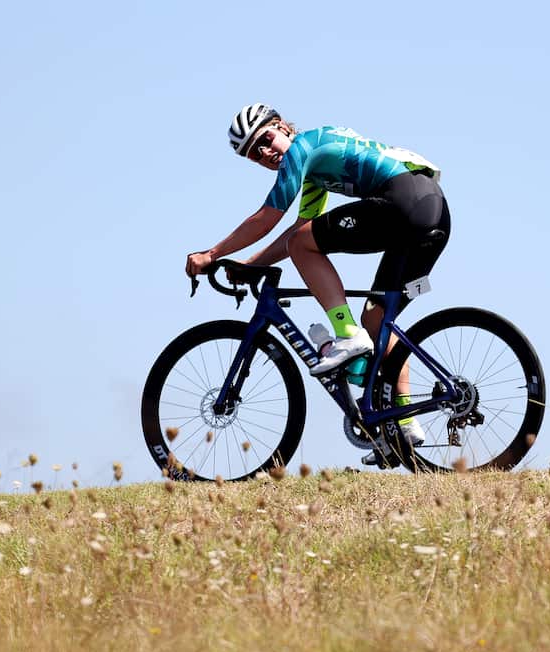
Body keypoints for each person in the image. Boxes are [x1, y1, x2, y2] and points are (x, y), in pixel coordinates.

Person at [185, 103, 451, 463]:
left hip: (402, 202)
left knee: (307, 252)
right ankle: (402, 426)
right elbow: (300, 228)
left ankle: (346, 333)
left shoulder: (303, 148)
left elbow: (268, 220)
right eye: (254, 155)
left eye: (265, 140)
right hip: (431, 213)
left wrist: (211, 254)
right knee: (379, 321)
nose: (265, 154)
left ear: (281, 127)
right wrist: (251, 264)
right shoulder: (313, 174)